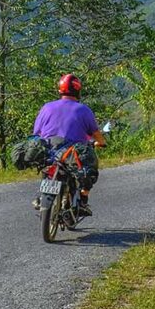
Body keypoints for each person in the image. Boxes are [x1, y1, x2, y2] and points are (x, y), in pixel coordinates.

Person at [32, 73, 106, 215]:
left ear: (60, 89)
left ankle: (42, 195)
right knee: (90, 168)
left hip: (49, 150)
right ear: (78, 90)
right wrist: (101, 142)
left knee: (47, 168)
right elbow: (95, 133)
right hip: (71, 152)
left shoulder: (46, 107)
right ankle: (83, 199)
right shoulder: (83, 110)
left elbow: (37, 133)